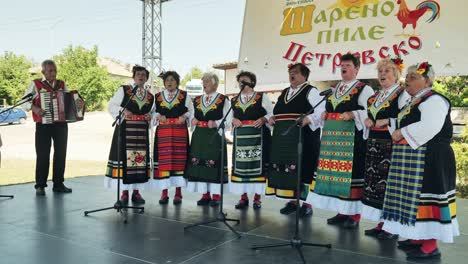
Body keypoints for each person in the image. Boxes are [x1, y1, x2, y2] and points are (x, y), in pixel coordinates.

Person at [381, 62, 459, 259]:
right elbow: (405, 121)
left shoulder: (434, 100)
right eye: (407, 76)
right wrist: (394, 126)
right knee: (415, 198)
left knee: (429, 196)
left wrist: (401, 131)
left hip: (433, 157)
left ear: (427, 81)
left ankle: (431, 244)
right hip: (417, 156)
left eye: (413, 77)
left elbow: (430, 126)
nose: (407, 79)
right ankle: (419, 237)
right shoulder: (414, 101)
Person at [307, 53, 374, 228]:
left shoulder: (363, 89)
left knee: (352, 177)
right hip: (332, 140)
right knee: (338, 178)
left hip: (352, 141)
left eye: (348, 65)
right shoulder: (334, 90)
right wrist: (324, 115)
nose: (343, 68)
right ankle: (342, 211)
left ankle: (355, 215)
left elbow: (373, 112)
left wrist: (354, 114)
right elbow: (329, 109)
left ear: (357, 69)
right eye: (342, 65)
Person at [266, 63, 325, 217]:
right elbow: (277, 110)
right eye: (290, 72)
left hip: (303, 137)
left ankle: (307, 204)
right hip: (284, 139)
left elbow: (322, 111)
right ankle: (293, 200)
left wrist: (309, 118)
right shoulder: (285, 92)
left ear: (304, 76)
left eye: (296, 73)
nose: (292, 75)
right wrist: (273, 117)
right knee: (288, 169)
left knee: (305, 168)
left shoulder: (311, 91)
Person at [361, 57, 410, 240]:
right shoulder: (374, 97)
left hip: (392, 145)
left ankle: (392, 227)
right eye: (380, 71)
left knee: (390, 185)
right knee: (377, 186)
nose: (382, 74)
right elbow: (370, 117)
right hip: (374, 144)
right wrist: (367, 121)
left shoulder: (402, 94)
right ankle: (382, 223)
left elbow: (408, 117)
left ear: (396, 74)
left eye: (387, 71)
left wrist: (389, 121)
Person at [23, 60, 74, 196]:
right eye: (50, 71)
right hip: (43, 125)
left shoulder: (61, 84)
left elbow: (69, 100)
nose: (53, 73)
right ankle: (40, 185)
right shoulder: (36, 84)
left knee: (60, 154)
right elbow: (25, 101)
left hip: (61, 124)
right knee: (43, 155)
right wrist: (36, 108)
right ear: (43, 72)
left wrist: (75, 106)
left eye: (55, 70)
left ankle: (58, 184)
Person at [104, 66, 154, 204]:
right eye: (138, 74)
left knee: (138, 163)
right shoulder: (124, 90)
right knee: (125, 162)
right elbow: (112, 105)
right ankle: (124, 193)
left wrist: (150, 116)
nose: (141, 76)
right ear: (133, 76)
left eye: (144, 75)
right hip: (125, 131)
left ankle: (136, 193)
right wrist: (123, 110)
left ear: (146, 78)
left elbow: (153, 112)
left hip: (141, 133)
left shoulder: (150, 96)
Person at [229, 71, 273, 210]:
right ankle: (243, 198)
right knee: (242, 168)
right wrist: (233, 120)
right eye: (240, 80)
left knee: (257, 168)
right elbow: (229, 116)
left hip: (258, 137)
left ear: (252, 82)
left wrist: (263, 119)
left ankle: (257, 199)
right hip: (241, 138)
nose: (242, 82)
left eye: (245, 80)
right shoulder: (234, 100)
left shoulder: (261, 96)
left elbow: (272, 112)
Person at [186, 72, 230, 207]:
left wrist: (216, 123)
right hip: (199, 136)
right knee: (200, 163)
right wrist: (192, 119)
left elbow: (228, 118)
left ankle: (216, 196)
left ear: (215, 84)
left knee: (213, 163)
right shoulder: (197, 99)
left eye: (207, 81)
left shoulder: (223, 99)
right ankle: (205, 194)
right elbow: (193, 114)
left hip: (214, 136)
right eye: (203, 82)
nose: (204, 84)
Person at [152, 71, 193, 205]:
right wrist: (158, 115)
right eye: (167, 80)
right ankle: (164, 193)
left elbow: (192, 110)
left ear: (177, 82)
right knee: (164, 162)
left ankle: (178, 192)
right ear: (164, 83)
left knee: (178, 161)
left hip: (179, 132)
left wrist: (185, 116)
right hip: (163, 132)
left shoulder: (184, 95)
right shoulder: (157, 97)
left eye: (172, 80)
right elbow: (152, 111)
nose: (169, 82)